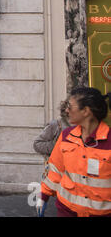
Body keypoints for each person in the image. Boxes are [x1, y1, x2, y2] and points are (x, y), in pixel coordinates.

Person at [37, 87, 111, 217]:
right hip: (67, 211)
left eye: (70, 107)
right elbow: (55, 170)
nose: (67, 110)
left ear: (86, 111)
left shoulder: (109, 141)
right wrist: (43, 195)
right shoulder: (66, 136)